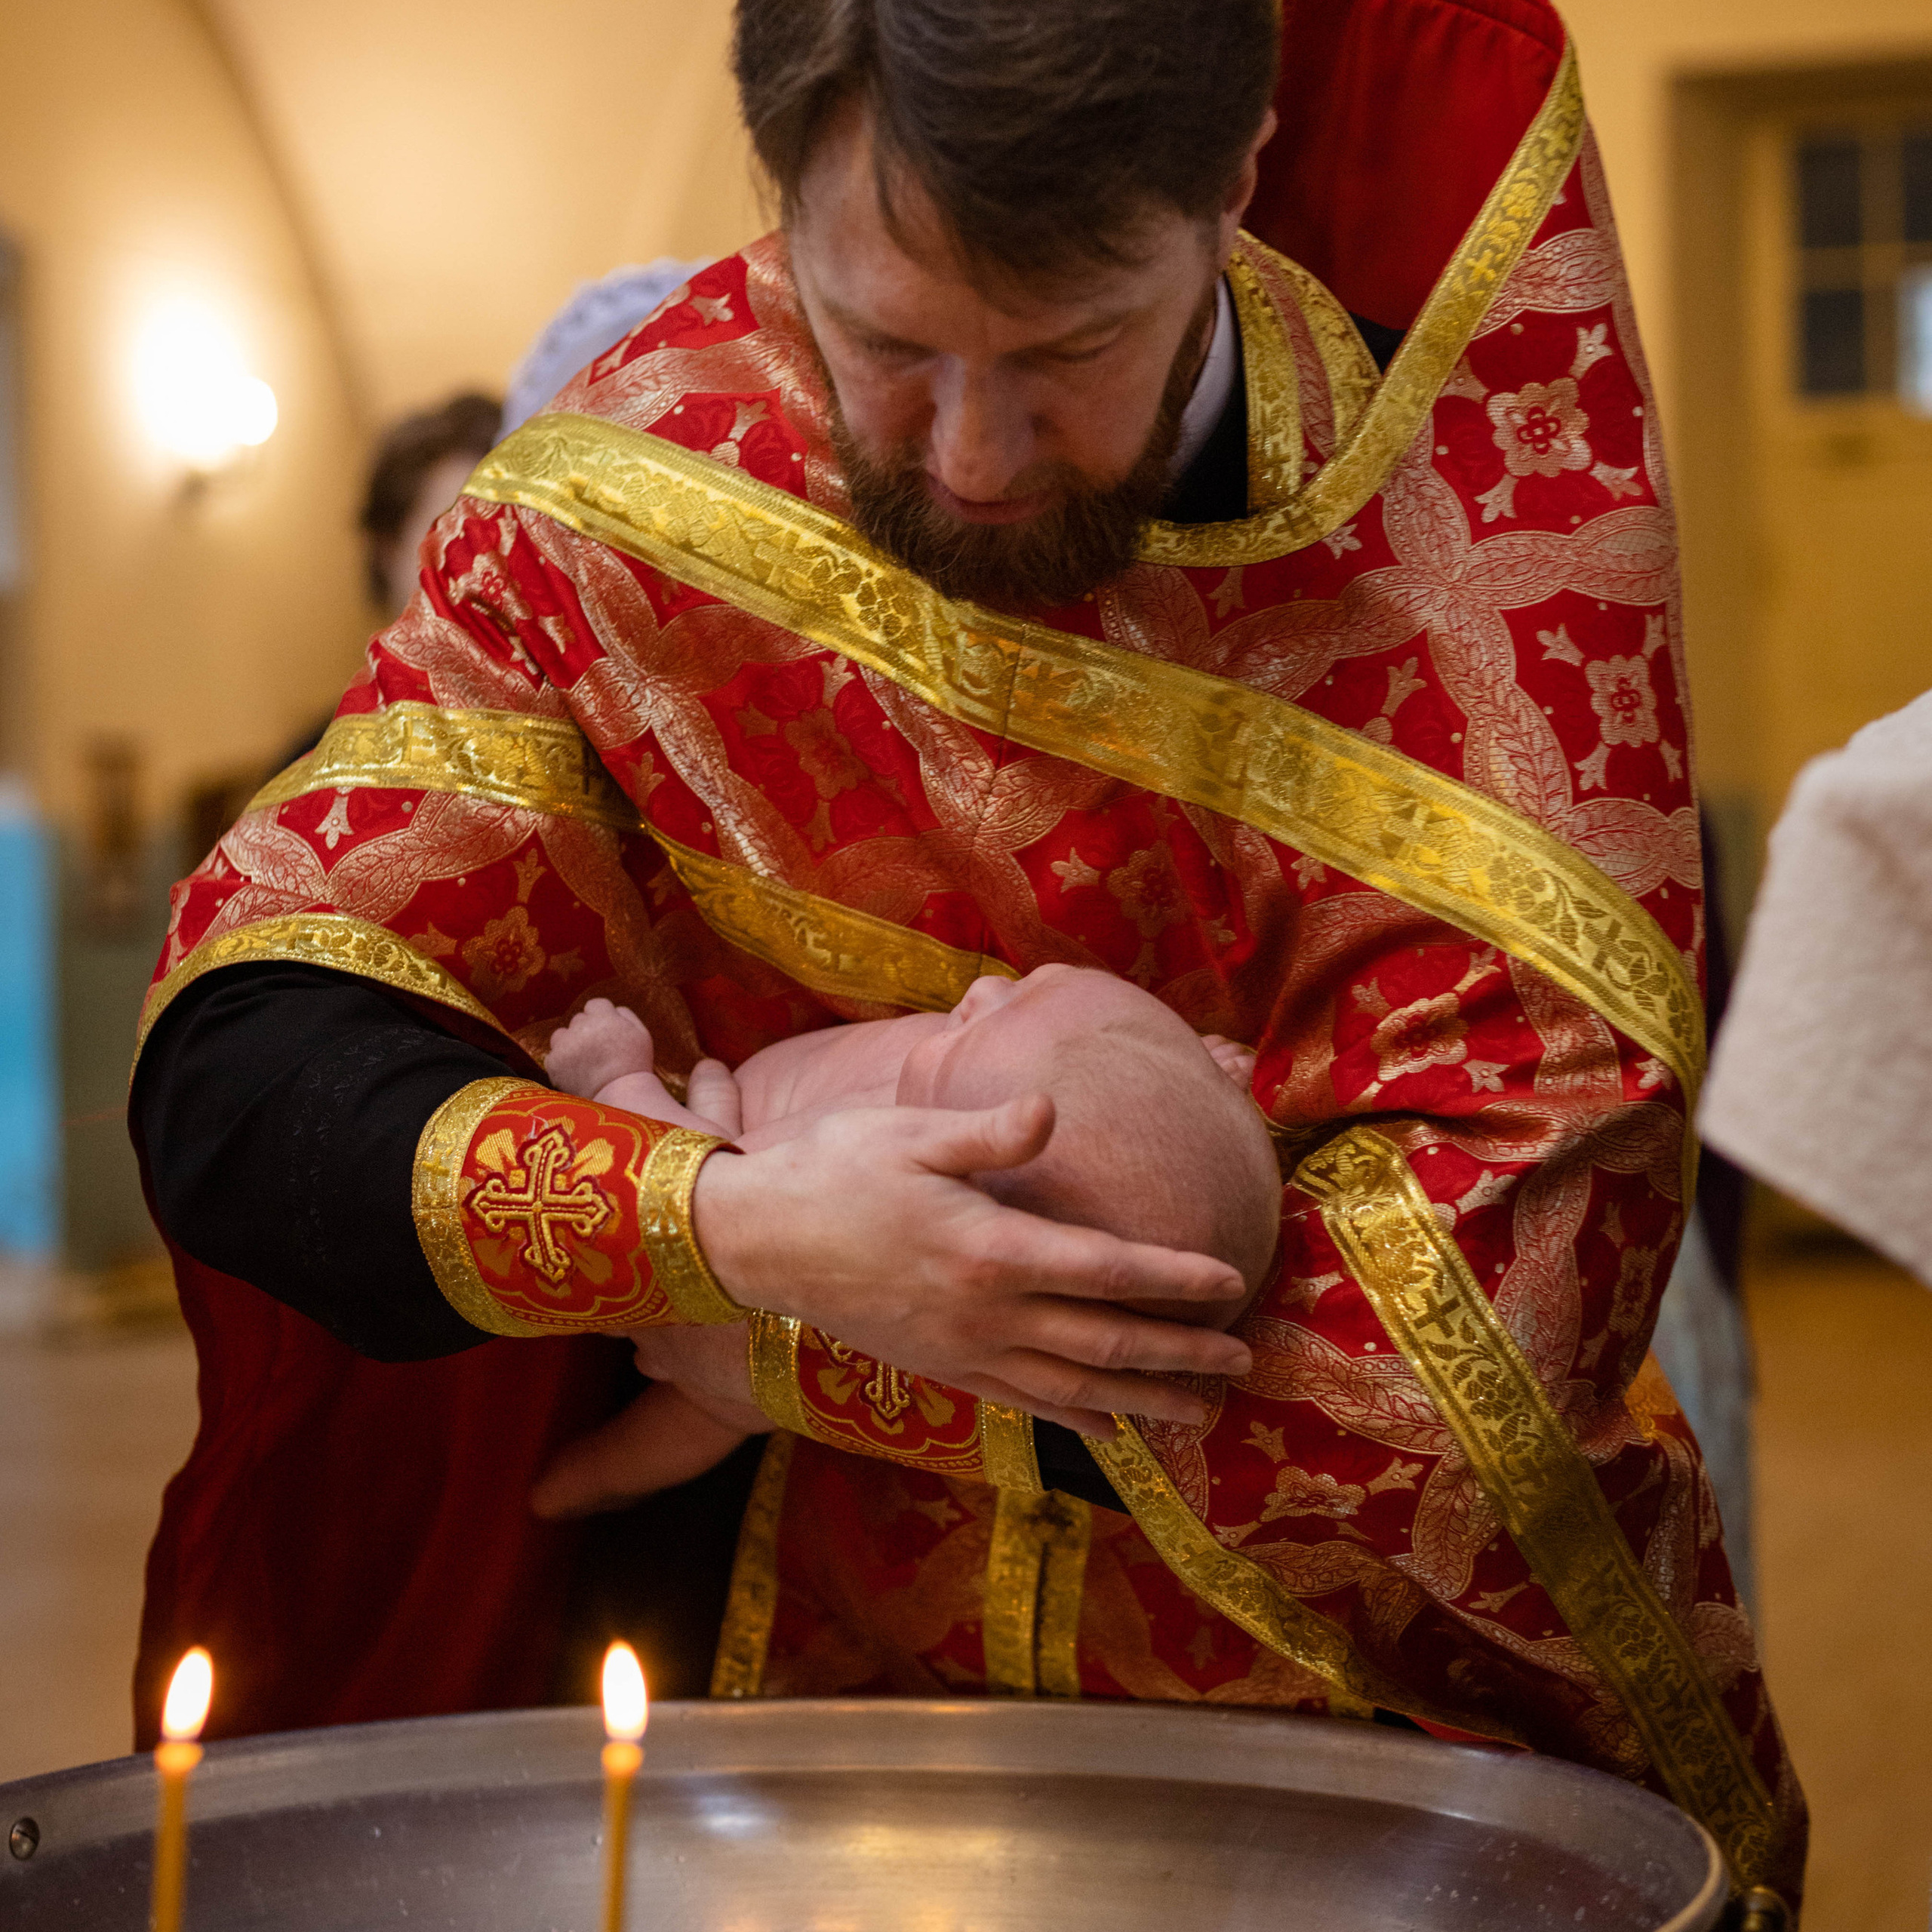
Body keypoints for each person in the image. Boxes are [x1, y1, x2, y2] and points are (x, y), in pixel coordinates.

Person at [129, 0, 1804, 1909]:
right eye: (885, 340)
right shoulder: (631, 496)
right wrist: (724, 1225)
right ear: (777, 202)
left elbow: (1471, 1363)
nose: (976, 450)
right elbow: (244, 1060)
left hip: (1370, 1745)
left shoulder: (1485, 530)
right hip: (783, 1712)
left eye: (1072, 342)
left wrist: (779, 1352)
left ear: (1230, 180)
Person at [531, 969, 1277, 1518]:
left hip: (716, 1265)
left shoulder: (851, 1179)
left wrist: (617, 1079)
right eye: (1031, 988)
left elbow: (676, 1185)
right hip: (756, 1354)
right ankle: (578, 1487)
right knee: (712, 1423)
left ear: (957, 1198)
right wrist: (1192, 1076)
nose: (984, 987)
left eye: (968, 1030)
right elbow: (1145, 1134)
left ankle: (575, 1488)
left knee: (699, 1414)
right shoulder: (1062, 1111)